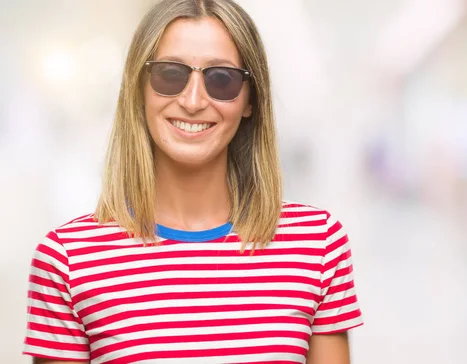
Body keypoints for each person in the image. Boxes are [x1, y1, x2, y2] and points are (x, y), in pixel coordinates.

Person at [22, 0, 363, 363]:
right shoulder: (68, 261)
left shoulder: (318, 245)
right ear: (139, 88)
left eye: (221, 79)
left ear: (250, 99)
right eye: (170, 74)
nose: (193, 100)